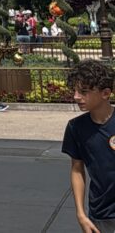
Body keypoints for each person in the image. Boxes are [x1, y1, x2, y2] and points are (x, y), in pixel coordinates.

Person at [62, 60, 115, 233]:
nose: (76, 96)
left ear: (105, 93)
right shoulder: (75, 128)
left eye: (84, 92)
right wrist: (81, 214)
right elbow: (77, 170)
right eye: (75, 91)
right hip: (101, 214)